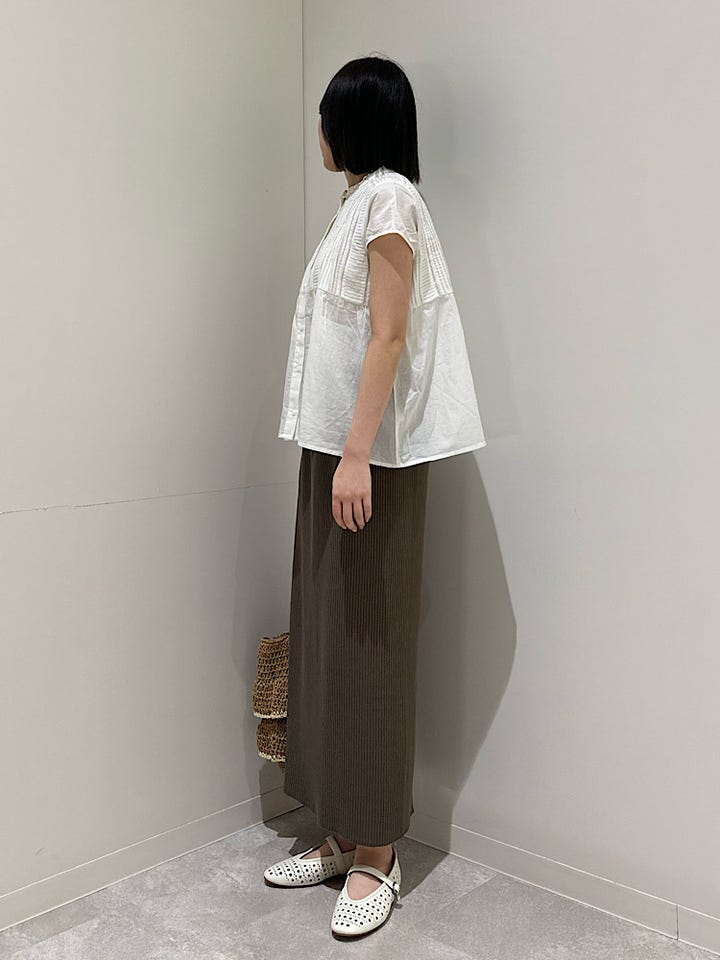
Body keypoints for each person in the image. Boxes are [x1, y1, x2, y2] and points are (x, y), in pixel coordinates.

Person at [264, 55, 487, 938]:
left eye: (327, 116)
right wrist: (337, 453)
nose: (318, 132)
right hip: (337, 452)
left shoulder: (390, 198)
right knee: (328, 638)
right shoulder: (359, 203)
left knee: (370, 642)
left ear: (354, 122)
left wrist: (357, 455)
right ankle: (341, 828)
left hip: (369, 459)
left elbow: (389, 336)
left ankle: (378, 854)